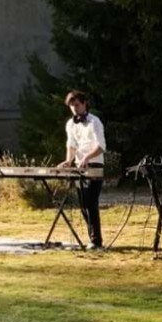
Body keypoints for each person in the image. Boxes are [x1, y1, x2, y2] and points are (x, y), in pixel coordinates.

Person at [59, 89, 106, 249]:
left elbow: (101, 146)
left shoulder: (95, 122)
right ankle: (92, 238)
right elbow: (71, 145)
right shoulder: (70, 124)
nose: (74, 108)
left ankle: (96, 241)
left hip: (94, 165)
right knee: (83, 204)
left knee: (91, 202)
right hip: (79, 167)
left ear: (84, 103)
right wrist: (68, 160)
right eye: (71, 106)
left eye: (77, 105)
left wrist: (87, 157)